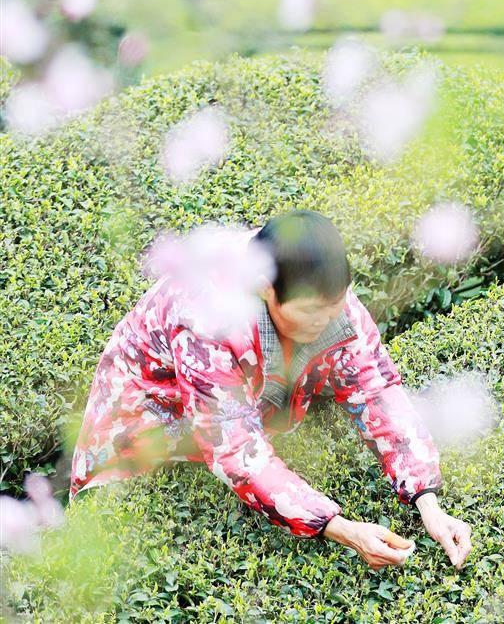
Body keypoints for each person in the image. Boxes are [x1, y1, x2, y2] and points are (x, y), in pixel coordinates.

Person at [69, 210, 472, 571]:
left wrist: (428, 502)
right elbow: (234, 448)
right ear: (266, 288)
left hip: (242, 388)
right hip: (156, 408)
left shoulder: (322, 290)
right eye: (311, 311)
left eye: (335, 305)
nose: (327, 319)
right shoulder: (204, 316)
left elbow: (374, 388)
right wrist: (341, 528)